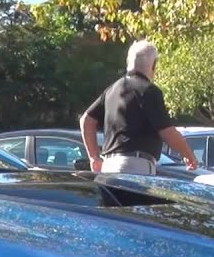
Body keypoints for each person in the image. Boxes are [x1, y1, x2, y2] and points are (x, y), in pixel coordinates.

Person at [80, 40, 197, 174]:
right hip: (136, 164)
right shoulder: (149, 91)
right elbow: (167, 131)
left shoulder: (112, 90)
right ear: (153, 65)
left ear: (128, 62)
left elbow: (86, 120)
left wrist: (94, 157)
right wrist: (189, 155)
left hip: (109, 165)